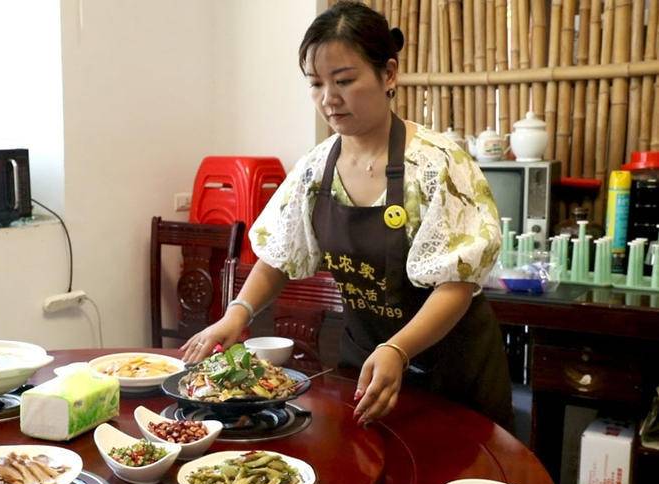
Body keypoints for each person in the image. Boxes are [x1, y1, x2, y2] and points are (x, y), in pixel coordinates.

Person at [181, 1, 513, 430]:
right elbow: (280, 255)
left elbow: (458, 282)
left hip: (453, 369)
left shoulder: (438, 164)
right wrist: (236, 314)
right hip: (366, 362)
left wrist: (399, 349)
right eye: (315, 84)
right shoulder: (315, 170)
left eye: (344, 80)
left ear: (389, 74)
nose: (328, 99)